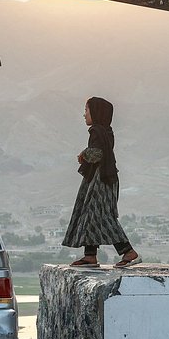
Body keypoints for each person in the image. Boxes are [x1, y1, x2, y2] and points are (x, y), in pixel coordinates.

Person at [62, 97, 139, 269]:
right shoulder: (106, 131)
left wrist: (83, 154)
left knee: (100, 215)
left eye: (87, 110)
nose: (84, 115)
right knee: (91, 215)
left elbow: (96, 154)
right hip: (104, 178)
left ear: (96, 112)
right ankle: (90, 256)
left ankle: (128, 251)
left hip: (100, 179)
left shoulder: (96, 131)